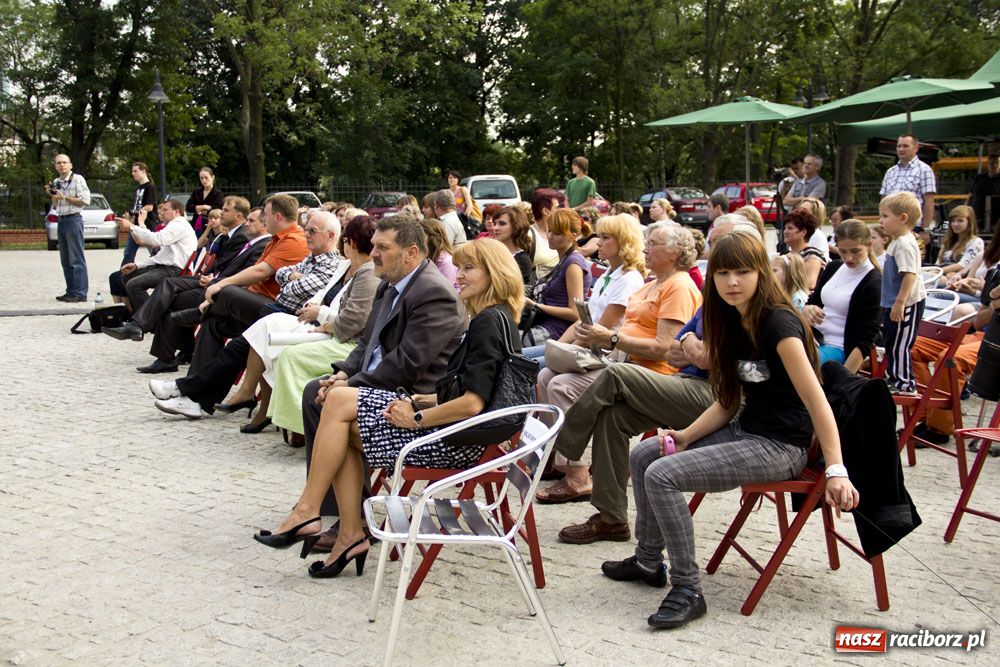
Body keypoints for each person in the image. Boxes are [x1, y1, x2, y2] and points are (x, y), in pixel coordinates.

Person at [601, 229, 859, 629]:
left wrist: (836, 470)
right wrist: (686, 435)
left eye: (743, 272)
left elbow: (817, 400)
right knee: (645, 453)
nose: (732, 282)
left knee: (664, 475)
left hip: (780, 446)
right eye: (722, 273)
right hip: (745, 429)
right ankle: (649, 561)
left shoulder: (779, 324)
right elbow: (728, 400)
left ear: (761, 273)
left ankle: (688, 588)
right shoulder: (732, 318)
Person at [252, 238, 525, 577]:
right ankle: (347, 532)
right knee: (341, 424)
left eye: (469, 268)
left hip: (456, 444)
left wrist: (417, 416)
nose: (459, 276)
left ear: (494, 274)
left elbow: (473, 404)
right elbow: (474, 392)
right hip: (458, 434)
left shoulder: (486, 322)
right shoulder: (494, 317)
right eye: (460, 267)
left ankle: (311, 512)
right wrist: (423, 400)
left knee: (337, 405)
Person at [297, 213, 466, 537]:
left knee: (330, 404)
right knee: (315, 391)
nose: (372, 253)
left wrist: (350, 384)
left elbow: (407, 364)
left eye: (382, 247)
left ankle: (339, 518)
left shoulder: (434, 293)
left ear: (411, 253)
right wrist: (345, 373)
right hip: (387, 382)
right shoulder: (390, 283)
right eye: (374, 245)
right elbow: (368, 343)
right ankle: (339, 514)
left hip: (415, 396)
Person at [536, 224, 701, 514]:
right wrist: (601, 343)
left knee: (564, 384)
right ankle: (578, 480)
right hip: (624, 361)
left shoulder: (680, 286)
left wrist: (611, 338)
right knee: (547, 374)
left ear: (675, 252)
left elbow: (664, 348)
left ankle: (571, 467)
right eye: (646, 243)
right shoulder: (650, 284)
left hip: (653, 373)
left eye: (654, 244)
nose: (646, 249)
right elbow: (625, 333)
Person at [149, 211, 344, 419]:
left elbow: (284, 282)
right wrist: (291, 277)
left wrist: (290, 278)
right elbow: (280, 274)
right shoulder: (307, 254)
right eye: (307, 229)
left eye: (313, 231)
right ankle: (194, 398)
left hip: (287, 316)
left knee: (226, 295)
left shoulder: (324, 259)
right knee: (216, 324)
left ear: (331, 236)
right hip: (273, 311)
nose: (307, 234)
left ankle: (188, 380)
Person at [229, 215, 379, 435]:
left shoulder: (366, 272)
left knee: (285, 350)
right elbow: (313, 291)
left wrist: (323, 317)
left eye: (311, 231)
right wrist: (316, 308)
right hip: (319, 321)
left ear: (351, 243)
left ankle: (294, 423)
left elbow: (353, 320)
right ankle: (257, 400)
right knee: (264, 326)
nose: (306, 235)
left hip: (339, 335)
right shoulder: (347, 265)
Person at [108, 202, 267, 372]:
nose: (221, 214)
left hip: (221, 287)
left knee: (166, 289)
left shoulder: (245, 238)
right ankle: (171, 346)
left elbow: (240, 271)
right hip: (214, 280)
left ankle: (148, 334)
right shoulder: (234, 236)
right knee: (164, 293)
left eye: (226, 211)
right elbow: (223, 263)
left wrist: (215, 279)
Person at [803, 219, 882, 370]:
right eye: (843, 251)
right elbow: (812, 301)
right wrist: (808, 309)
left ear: (868, 246)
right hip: (813, 338)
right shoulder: (834, 267)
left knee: (793, 364)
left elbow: (863, 342)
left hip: (838, 347)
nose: (848, 258)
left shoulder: (873, 283)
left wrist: (845, 379)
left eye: (855, 251)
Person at [109, 200, 197, 313]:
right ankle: (141, 314)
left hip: (174, 270)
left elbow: (156, 240)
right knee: (126, 277)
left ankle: (148, 318)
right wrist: (137, 265)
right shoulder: (173, 225)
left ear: (177, 211)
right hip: (165, 266)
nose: (162, 213)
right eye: (161, 211)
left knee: (133, 285)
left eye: (165, 210)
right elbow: (159, 256)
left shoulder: (179, 224)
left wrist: (132, 226)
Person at [521, 209, 593, 345]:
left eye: (557, 233)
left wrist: (537, 305)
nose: (550, 236)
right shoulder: (564, 259)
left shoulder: (573, 264)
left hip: (555, 332)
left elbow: (575, 313)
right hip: (545, 325)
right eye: (549, 230)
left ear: (572, 236)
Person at [879, 192, 927, 395]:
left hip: (906, 303)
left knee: (900, 342)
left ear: (903, 218)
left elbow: (909, 275)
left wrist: (900, 302)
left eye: (885, 216)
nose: (880, 221)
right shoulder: (897, 242)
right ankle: (895, 377)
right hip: (893, 302)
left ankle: (905, 383)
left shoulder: (905, 244)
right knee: (890, 340)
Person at [48, 154, 91, 302]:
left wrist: (65, 197)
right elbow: (55, 204)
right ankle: (70, 291)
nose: (62, 165)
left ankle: (80, 293)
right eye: (59, 163)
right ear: (55, 166)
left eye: (64, 162)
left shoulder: (78, 179)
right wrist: (52, 194)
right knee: (65, 260)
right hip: (61, 219)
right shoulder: (56, 181)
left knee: (76, 259)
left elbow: (85, 201)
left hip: (73, 219)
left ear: (70, 165)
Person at [880, 133, 937, 228]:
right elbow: (883, 201)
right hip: (890, 226)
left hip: (912, 227)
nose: (901, 149)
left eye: (905, 146)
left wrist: (925, 230)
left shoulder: (924, 170)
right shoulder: (890, 172)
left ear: (916, 148)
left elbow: (929, 202)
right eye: (899, 146)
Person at [120, 162, 158, 266]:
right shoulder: (138, 188)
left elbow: (150, 207)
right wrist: (131, 217)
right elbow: (137, 206)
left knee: (154, 252)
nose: (133, 173)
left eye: (135, 171)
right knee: (128, 252)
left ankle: (159, 270)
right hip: (136, 224)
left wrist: (136, 212)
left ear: (143, 171)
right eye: (132, 171)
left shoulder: (150, 187)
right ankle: (124, 275)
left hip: (147, 224)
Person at [489, 205, 534, 287]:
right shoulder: (491, 252)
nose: (495, 228)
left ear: (516, 226)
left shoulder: (522, 260)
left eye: (502, 224)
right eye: (494, 223)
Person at [782, 209, 826, 291]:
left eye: (790, 228)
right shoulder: (785, 255)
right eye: (785, 228)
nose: (785, 232)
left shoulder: (813, 255)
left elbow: (809, 284)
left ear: (803, 232)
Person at [936, 205, 983, 281]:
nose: (955, 224)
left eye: (960, 221)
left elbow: (963, 265)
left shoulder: (976, 242)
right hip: (942, 275)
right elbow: (938, 262)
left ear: (969, 222)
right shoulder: (948, 241)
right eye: (953, 221)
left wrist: (937, 271)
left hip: (960, 279)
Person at [529, 188, 563, 276]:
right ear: (545, 211)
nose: (560, 211)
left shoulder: (561, 233)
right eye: (557, 207)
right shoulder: (528, 235)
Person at [186, 167, 225, 235]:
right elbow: (188, 207)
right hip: (196, 224)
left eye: (206, 177)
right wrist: (204, 206)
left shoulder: (217, 193)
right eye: (201, 178)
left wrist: (198, 210)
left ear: (212, 177)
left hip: (211, 225)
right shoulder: (196, 191)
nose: (204, 180)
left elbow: (217, 209)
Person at [421, 218, 457, 288]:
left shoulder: (446, 261)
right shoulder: (426, 256)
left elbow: (446, 290)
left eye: (421, 235)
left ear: (431, 237)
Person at [968, 153, 1000, 227]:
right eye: (992, 163)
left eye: (997, 163)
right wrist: (966, 207)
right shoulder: (979, 178)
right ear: (988, 164)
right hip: (978, 212)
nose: (994, 165)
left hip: (995, 214)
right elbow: (971, 194)